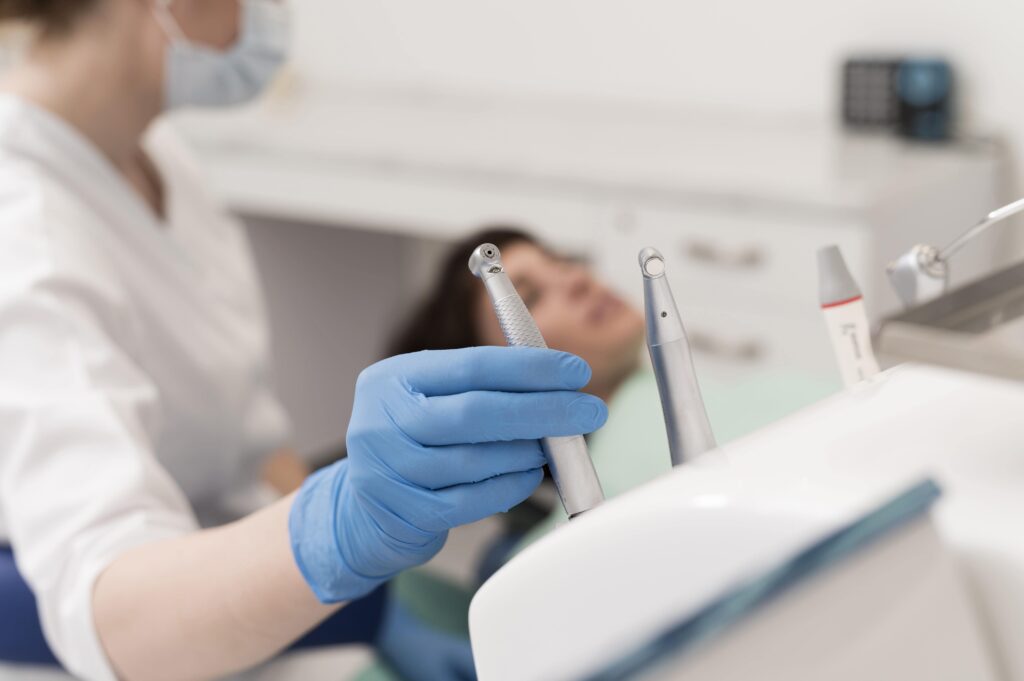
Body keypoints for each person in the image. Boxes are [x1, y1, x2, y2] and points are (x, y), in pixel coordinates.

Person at [0, 3, 608, 681]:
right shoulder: (22, 230)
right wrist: (339, 523)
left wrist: (375, 593)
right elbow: (108, 614)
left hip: (234, 591)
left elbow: (246, 436)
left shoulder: (155, 155)